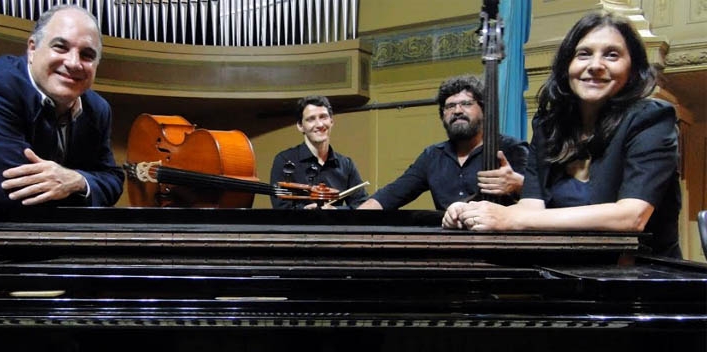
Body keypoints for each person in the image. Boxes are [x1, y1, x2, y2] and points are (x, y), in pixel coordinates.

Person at [443, 12, 681, 258]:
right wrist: (472, 210)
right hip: (572, 270)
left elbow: (631, 217)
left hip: (643, 278)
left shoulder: (651, 119)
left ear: (632, 70)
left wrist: (511, 220)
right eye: (584, 54)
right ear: (567, 65)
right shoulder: (549, 126)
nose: (596, 65)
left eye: (612, 55)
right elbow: (531, 206)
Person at [0, 5, 124, 226]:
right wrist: (87, 185)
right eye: (60, 47)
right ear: (32, 49)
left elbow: (113, 179)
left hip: (50, 243)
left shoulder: (97, 109)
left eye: (87, 55)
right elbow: (21, 194)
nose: (74, 63)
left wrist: (77, 181)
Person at [356, 75, 529, 212]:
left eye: (466, 104)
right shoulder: (432, 156)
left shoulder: (511, 149)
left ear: (484, 110)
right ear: (443, 115)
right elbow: (392, 194)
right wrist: (354, 218)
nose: (457, 111)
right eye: (450, 106)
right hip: (451, 246)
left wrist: (519, 184)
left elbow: (545, 198)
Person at [269, 95, 368, 209]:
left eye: (323, 117)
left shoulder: (346, 164)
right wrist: (304, 211)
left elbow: (361, 206)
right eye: (311, 119)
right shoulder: (285, 161)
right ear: (300, 126)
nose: (319, 124)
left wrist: (337, 210)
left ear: (331, 121)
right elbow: (281, 208)